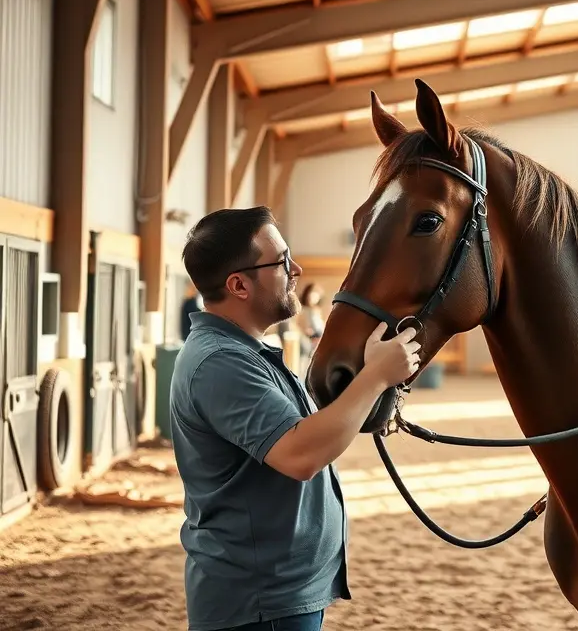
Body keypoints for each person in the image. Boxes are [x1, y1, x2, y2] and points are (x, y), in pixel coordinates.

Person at [170, 206, 421, 631]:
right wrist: (377, 377)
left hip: (277, 596)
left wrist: (365, 378)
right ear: (239, 285)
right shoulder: (220, 363)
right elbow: (301, 453)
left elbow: (309, 430)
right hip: (260, 604)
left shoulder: (246, 353)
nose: (297, 269)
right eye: (283, 261)